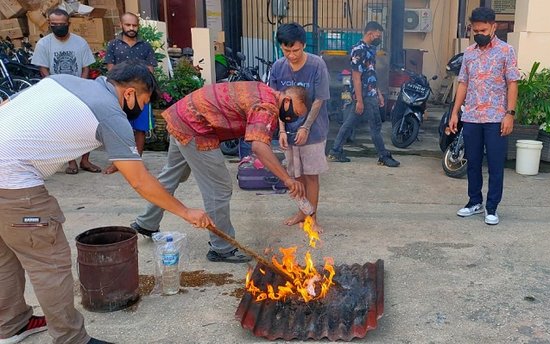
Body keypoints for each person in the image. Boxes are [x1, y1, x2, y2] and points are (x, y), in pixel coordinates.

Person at [0, 60, 213, 344]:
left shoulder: (64, 80)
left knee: (5, 256)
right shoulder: (110, 112)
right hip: (14, 185)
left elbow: (5, 107)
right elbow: (139, 180)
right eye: (144, 101)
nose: (141, 109)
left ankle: (12, 325)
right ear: (129, 94)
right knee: (49, 264)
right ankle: (72, 339)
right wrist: (185, 211)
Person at [130, 81, 307, 263]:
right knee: (219, 189)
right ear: (286, 101)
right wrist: (287, 179)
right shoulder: (267, 106)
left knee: (171, 175)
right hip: (197, 128)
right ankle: (221, 248)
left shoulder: (265, 90)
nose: (293, 118)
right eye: (296, 113)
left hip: (181, 115)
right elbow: (259, 146)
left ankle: (146, 222)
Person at [448, 7, 520, 225]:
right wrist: (455, 113)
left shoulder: (506, 51)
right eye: (475, 29)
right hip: (471, 117)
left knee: (496, 164)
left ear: (493, 27)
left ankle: (492, 207)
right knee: (473, 163)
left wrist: (509, 114)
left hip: (496, 117)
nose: (478, 33)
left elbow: (512, 83)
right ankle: (474, 202)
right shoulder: (469, 53)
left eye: (483, 29)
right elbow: (463, 83)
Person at [269, 23, 330, 227]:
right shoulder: (278, 67)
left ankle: (312, 217)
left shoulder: (317, 65)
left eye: (295, 50)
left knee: (311, 176)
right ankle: (301, 212)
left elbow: (319, 99)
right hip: (290, 132)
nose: (291, 55)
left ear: (303, 45)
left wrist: (305, 127)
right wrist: (282, 130)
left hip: (314, 131)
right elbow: (276, 102)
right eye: (286, 50)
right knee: (296, 176)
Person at [31, 8, 100, 175]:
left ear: (68, 24)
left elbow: (86, 67)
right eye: (54, 24)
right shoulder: (44, 44)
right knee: (65, 128)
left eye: (62, 24)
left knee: (86, 127)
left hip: (79, 90)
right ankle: (71, 162)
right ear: (49, 24)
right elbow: (43, 69)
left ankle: (85, 160)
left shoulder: (80, 42)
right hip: (57, 91)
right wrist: (53, 86)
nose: (58, 27)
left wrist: (82, 85)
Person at [327, 21, 400, 167]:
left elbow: (371, 75)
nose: (379, 38)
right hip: (365, 96)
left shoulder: (369, 50)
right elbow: (356, 77)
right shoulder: (359, 50)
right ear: (370, 33)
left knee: (349, 124)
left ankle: (335, 151)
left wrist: (378, 93)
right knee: (375, 127)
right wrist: (360, 100)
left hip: (370, 93)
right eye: (378, 35)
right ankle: (383, 156)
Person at [103, 12, 159, 174]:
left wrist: (141, 87)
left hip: (141, 93)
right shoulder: (113, 45)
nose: (131, 28)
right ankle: (118, 163)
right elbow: (111, 70)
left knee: (140, 129)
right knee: (119, 128)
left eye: (134, 25)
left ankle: (137, 162)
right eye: (128, 25)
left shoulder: (145, 46)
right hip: (120, 95)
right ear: (121, 25)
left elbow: (150, 69)